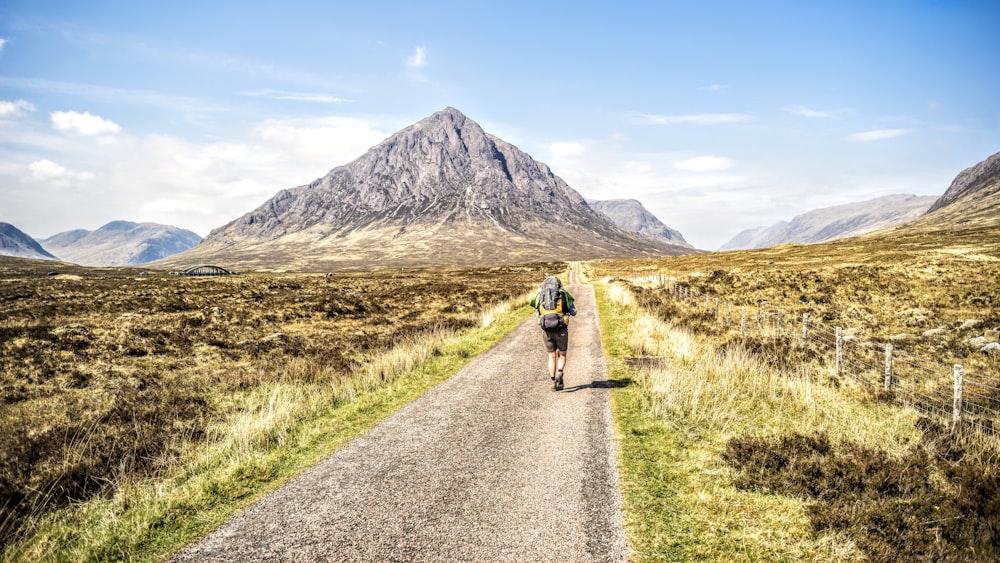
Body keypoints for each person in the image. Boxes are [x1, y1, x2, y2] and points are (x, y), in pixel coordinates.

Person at [529, 275, 577, 390]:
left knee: (551, 356)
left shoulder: (540, 294)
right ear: (558, 284)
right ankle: (560, 373)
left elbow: (536, 311)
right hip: (561, 328)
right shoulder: (563, 293)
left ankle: (552, 381)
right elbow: (574, 312)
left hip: (547, 330)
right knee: (562, 354)